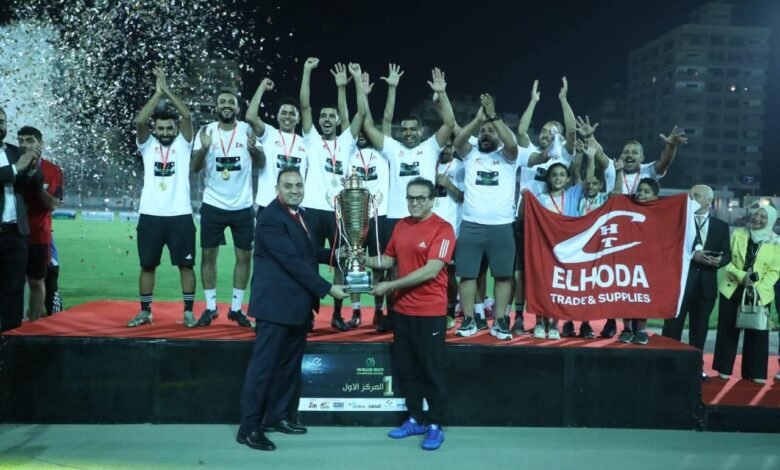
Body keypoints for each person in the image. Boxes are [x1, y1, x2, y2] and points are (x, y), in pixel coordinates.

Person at [237, 168, 347, 452]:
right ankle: (249, 428)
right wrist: (328, 288)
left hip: (297, 307)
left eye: (298, 185)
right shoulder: (270, 218)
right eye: (288, 186)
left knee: (287, 366)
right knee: (263, 369)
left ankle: (277, 417)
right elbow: (292, 261)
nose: (295, 190)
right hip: (275, 308)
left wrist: (337, 254)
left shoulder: (300, 215)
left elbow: (307, 251)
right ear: (277, 189)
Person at [362, 66, 456, 332]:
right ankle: (393, 314)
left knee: (429, 267)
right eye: (404, 129)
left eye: (413, 129)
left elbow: (449, 124)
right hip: (396, 216)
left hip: (425, 218)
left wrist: (442, 94)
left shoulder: (430, 147)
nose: (409, 133)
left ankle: (434, 312)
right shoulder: (393, 149)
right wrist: (364, 94)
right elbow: (367, 125)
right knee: (392, 269)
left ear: (421, 130)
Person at [366, 177, 455, 451]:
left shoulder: (443, 229)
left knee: (432, 371)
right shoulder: (401, 226)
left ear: (431, 201)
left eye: (420, 198)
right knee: (407, 370)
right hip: (402, 310)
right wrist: (360, 258)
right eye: (410, 198)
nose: (414, 203)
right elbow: (388, 259)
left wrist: (391, 285)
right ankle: (415, 418)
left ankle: (435, 424)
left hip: (430, 312)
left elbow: (431, 270)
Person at [592, 125, 687, 338]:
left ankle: (639, 327)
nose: (630, 155)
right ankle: (615, 323)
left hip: (641, 237)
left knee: (639, 282)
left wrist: (671, 146)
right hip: (616, 235)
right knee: (616, 280)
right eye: (626, 151)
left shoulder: (648, 171)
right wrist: (590, 137)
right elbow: (598, 152)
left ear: (642, 158)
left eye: (634, 152)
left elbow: (664, 161)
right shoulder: (612, 168)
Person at [127, 67, 197, 328]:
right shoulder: (148, 145)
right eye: (161, 128)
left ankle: (188, 312)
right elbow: (139, 121)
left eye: (169, 128)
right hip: (151, 215)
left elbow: (187, 115)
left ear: (175, 129)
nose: (166, 132)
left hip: (180, 215)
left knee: (186, 266)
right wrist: (157, 95)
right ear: (155, 129)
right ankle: (145, 312)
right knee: (147, 266)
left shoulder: (184, 144)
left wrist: (167, 90)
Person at [299, 59, 366, 331]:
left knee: (341, 260)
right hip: (312, 209)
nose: (327, 120)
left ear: (338, 120)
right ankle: (307, 313)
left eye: (331, 116)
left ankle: (337, 314)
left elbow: (362, 112)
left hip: (339, 211)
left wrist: (356, 81)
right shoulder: (311, 139)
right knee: (307, 262)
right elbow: (304, 105)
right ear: (319, 121)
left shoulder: (346, 142)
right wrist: (307, 72)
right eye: (323, 116)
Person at [191, 85, 264, 328]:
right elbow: (195, 168)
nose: (226, 105)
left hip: (242, 206)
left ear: (237, 108)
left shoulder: (247, 130)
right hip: (213, 203)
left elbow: (262, 162)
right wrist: (204, 147)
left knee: (244, 256)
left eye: (231, 102)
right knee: (208, 256)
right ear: (216, 106)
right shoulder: (206, 131)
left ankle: (236, 308)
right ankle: (210, 307)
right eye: (222, 101)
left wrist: (254, 150)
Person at [454, 94, 523, 341]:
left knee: (503, 276)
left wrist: (493, 118)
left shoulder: (508, 156)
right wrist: (477, 121)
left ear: (499, 135)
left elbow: (512, 143)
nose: (486, 134)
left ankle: (501, 320)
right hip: (471, 225)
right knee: (467, 275)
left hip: (502, 227)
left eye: (491, 131)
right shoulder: (470, 154)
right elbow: (458, 141)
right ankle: (469, 319)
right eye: (482, 132)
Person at [662, 185, 731, 381]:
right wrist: (693, 255)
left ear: (709, 201)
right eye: (690, 196)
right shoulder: (679, 222)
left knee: (699, 331)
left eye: (696, 196)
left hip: (706, 287)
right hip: (680, 285)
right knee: (672, 328)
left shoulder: (721, 226)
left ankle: (695, 368)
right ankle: (667, 366)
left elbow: (727, 254)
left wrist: (720, 261)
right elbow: (669, 248)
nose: (691, 199)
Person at [713, 204, 780, 384]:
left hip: (760, 291)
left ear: (771, 221)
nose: (757, 219)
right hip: (732, 287)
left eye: (763, 217)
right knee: (727, 329)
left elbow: (775, 270)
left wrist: (759, 287)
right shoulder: (738, 234)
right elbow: (726, 259)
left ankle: (755, 371)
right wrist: (741, 276)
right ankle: (723, 368)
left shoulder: (776, 242)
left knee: (757, 331)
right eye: (756, 214)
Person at [346, 70, 392, 329]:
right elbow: (352, 118)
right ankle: (355, 312)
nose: (363, 132)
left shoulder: (383, 153)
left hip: (380, 215)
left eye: (367, 130)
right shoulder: (348, 152)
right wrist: (358, 95)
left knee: (380, 266)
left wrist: (365, 96)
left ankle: (378, 310)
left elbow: (378, 121)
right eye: (360, 130)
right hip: (355, 216)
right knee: (354, 262)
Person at [0, 106, 43, 332]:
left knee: (14, 289)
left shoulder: (15, 151)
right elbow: (13, 171)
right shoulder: (16, 159)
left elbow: (32, 186)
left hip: (16, 233)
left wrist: (34, 165)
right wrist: (17, 168)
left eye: (2, 121)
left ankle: (10, 337)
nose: (0, 126)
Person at [19, 126, 64, 321]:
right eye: (21, 141)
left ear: (41, 144)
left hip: (38, 234)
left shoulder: (53, 170)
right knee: (11, 281)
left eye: (30, 141)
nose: (24, 145)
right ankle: (11, 323)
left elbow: (53, 204)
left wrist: (37, 186)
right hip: (12, 233)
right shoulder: (12, 166)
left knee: (37, 281)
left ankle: (33, 325)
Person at [246, 80, 308, 215]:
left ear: (298, 119)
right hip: (268, 204)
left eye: (292, 114)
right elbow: (250, 117)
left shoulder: (305, 143)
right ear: (278, 116)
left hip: (295, 206)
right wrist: (262, 87)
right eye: (284, 112)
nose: (288, 116)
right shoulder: (269, 134)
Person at [616, 178, 661, 344]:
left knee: (643, 296)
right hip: (627, 259)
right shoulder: (628, 209)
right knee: (626, 294)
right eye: (640, 190)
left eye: (647, 192)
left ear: (655, 197)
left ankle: (641, 330)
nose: (641, 194)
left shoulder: (659, 214)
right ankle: (627, 329)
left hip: (647, 261)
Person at [431, 137, 464, 329]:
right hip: (429, 229)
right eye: (442, 146)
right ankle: (432, 308)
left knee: (449, 272)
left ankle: (450, 311)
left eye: (449, 146)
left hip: (452, 229)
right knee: (430, 272)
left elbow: (466, 197)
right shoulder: (429, 163)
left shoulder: (460, 167)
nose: (445, 150)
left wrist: (449, 185)